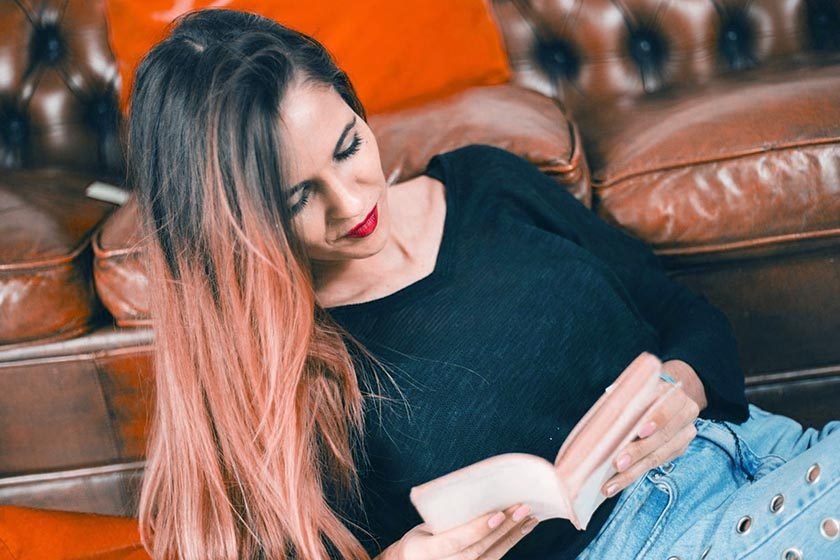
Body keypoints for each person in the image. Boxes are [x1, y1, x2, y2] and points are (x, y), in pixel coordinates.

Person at [125, 8, 840, 560]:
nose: (352, 202)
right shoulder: (275, 370)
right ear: (232, 225)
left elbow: (682, 312)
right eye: (296, 199)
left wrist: (683, 388)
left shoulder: (485, 181)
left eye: (349, 147)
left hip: (763, 454)